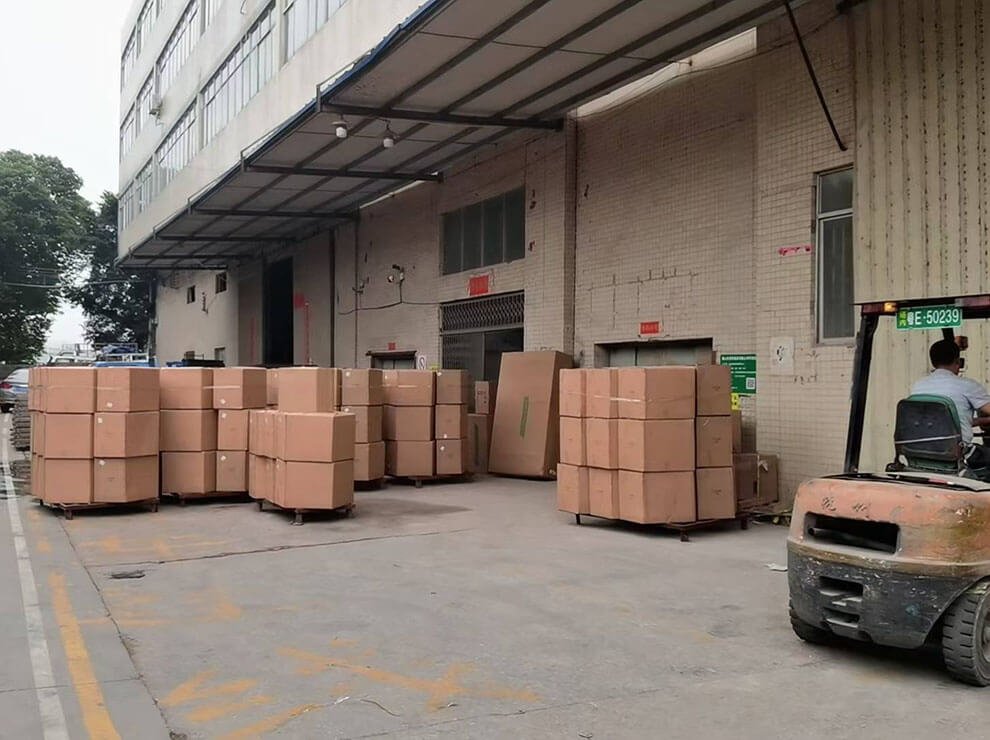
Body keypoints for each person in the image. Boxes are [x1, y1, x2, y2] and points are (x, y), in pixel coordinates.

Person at [911, 338, 990, 472]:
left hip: (922, 451)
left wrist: (984, 421)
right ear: (958, 362)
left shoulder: (918, 386)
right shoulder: (967, 385)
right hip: (958, 454)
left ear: (933, 362)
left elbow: (947, 421)